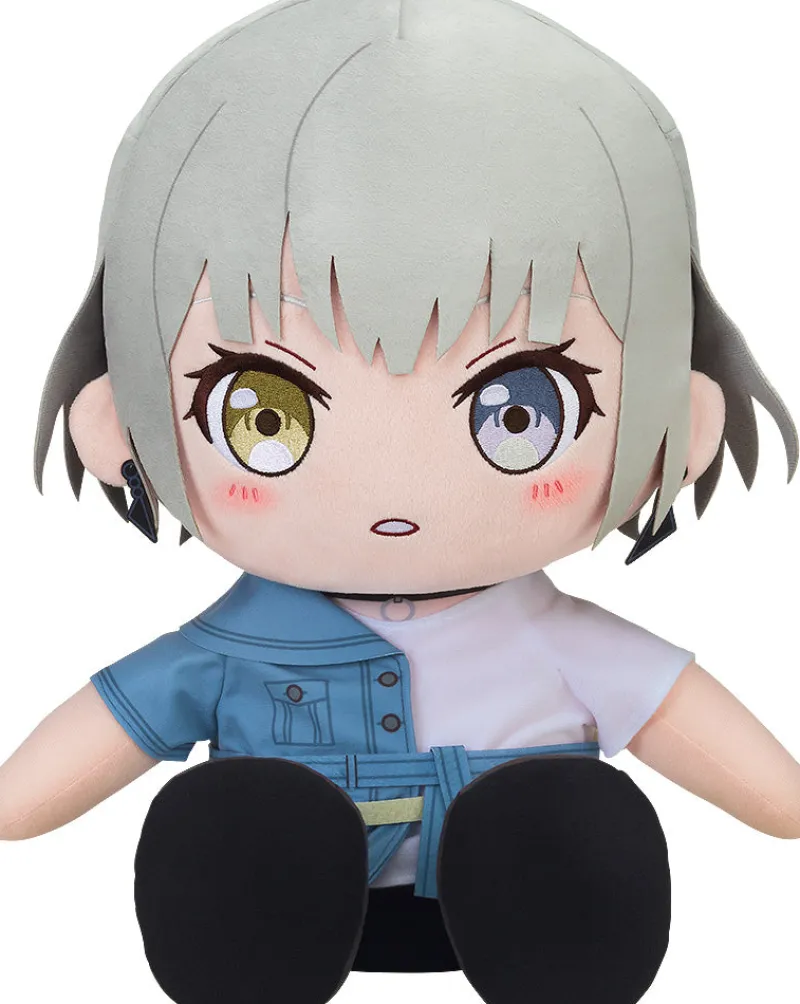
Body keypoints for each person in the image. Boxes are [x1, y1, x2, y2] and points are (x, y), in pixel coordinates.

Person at [1, 2, 798, 1003]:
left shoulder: (561, 641)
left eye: (521, 409)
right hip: (285, 920)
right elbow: (30, 795)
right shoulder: (229, 647)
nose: (393, 490)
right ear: (118, 422)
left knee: (566, 818)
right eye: (265, 411)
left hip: (518, 917)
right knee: (240, 821)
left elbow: (771, 795)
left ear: (678, 418)